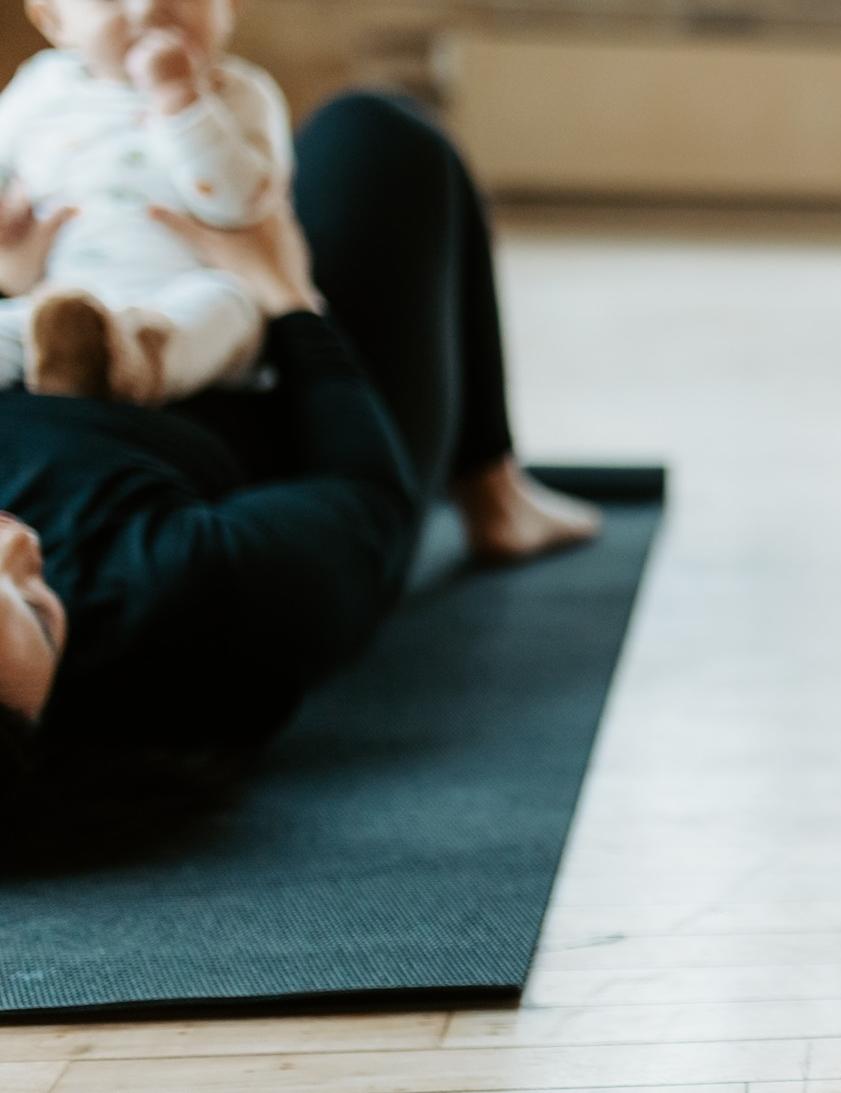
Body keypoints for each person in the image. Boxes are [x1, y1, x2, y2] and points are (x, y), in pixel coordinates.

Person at [0, 93, 599, 842]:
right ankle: (493, 494)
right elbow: (363, 491)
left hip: (83, 339)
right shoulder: (185, 601)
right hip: (288, 415)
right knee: (378, 137)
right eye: (38, 610)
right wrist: (283, 290)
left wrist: (12, 280)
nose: (20, 550)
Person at [0, 0, 292, 404]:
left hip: (184, 296)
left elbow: (241, 204)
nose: (149, 7)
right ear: (53, 20)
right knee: (14, 330)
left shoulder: (240, 92)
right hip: (54, 302)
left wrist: (180, 99)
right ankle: (76, 364)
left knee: (228, 306)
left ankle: (141, 360)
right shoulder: (39, 88)